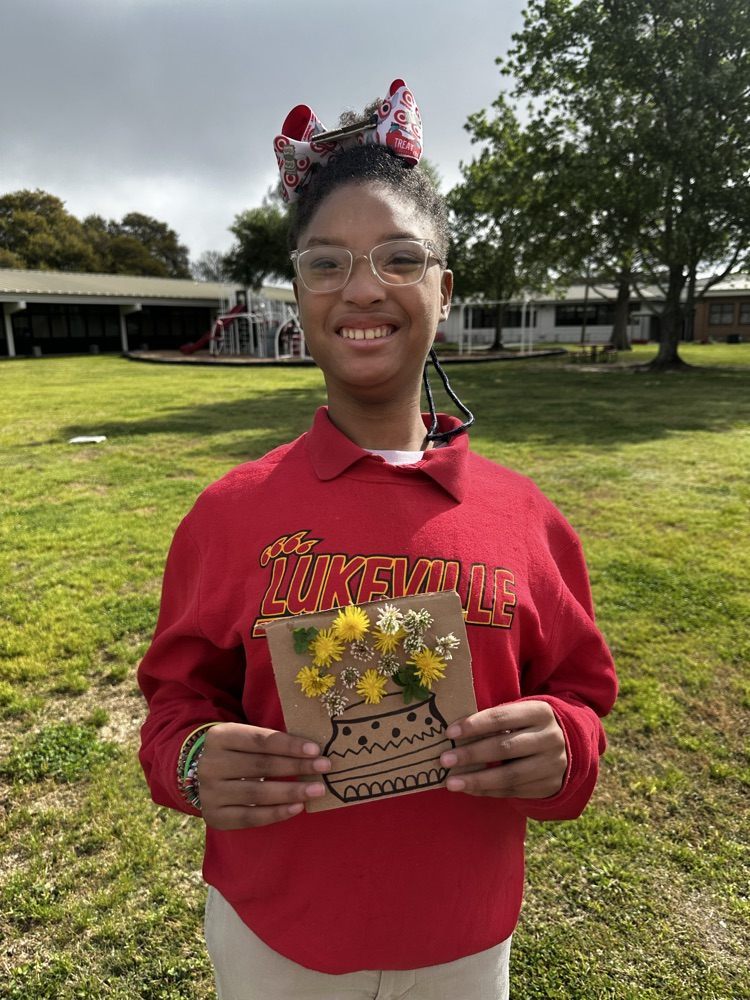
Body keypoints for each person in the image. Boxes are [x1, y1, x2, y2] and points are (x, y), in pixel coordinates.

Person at [138, 79, 618, 1000]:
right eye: (327, 264)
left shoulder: (526, 519)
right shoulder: (229, 514)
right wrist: (193, 761)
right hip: (277, 941)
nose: (363, 287)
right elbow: (175, 702)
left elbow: (582, 696)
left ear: (444, 289)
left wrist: (565, 744)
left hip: (464, 939)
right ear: (298, 297)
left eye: (400, 257)